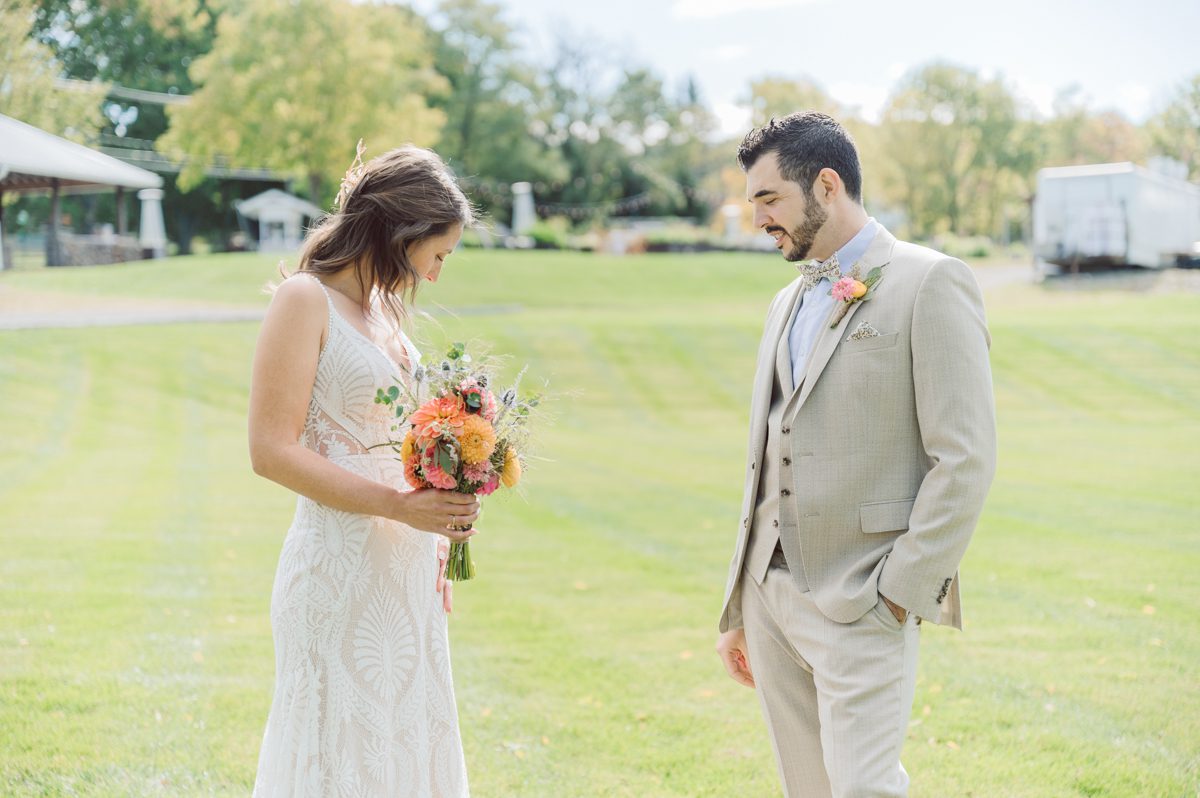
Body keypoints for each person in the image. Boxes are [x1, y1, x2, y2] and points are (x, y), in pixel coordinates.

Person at [714, 111, 997, 797]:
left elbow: (964, 458)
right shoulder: (786, 299)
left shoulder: (930, 282)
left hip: (865, 597)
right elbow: (768, 450)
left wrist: (899, 594)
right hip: (769, 598)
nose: (759, 219)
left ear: (828, 184)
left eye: (769, 199)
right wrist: (740, 607)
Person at [248, 144, 478, 797]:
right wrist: (399, 506)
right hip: (337, 569)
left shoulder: (389, 318)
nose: (436, 275)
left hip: (404, 576)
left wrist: (445, 510)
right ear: (399, 231)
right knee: (340, 754)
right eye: (438, 254)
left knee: (406, 750)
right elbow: (271, 450)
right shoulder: (304, 300)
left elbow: (401, 445)